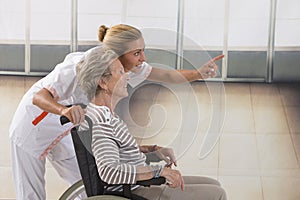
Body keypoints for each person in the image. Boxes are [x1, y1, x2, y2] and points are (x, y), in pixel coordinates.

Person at [9, 23, 223, 200]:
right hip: (34, 127)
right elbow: (39, 97)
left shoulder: (122, 71)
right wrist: (63, 110)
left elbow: (164, 76)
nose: (143, 58)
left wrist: (198, 73)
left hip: (69, 129)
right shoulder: (79, 67)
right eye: (137, 53)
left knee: (87, 188)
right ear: (117, 57)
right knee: (31, 195)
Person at [76, 46, 227, 200]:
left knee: (214, 184)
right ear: (103, 82)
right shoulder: (102, 123)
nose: (127, 77)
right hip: (135, 191)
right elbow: (110, 171)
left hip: (142, 182)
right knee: (217, 194)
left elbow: (120, 152)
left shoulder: (105, 114)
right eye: (121, 72)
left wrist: (153, 151)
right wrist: (158, 171)